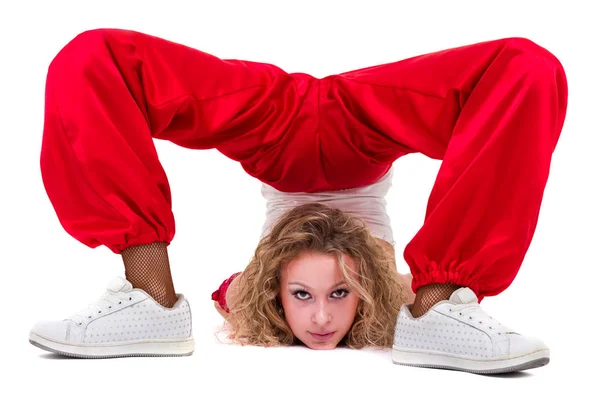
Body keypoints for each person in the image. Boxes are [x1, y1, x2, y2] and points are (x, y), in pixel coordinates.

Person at [29, 28, 568, 374]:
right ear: (369, 291)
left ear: (273, 291)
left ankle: (152, 295)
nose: (321, 317)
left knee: (93, 56)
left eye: (314, 294)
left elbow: (235, 292)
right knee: (525, 66)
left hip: (274, 130)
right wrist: (426, 292)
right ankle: (442, 305)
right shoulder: (394, 297)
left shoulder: (247, 297)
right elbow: (376, 296)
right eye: (334, 292)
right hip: (362, 128)